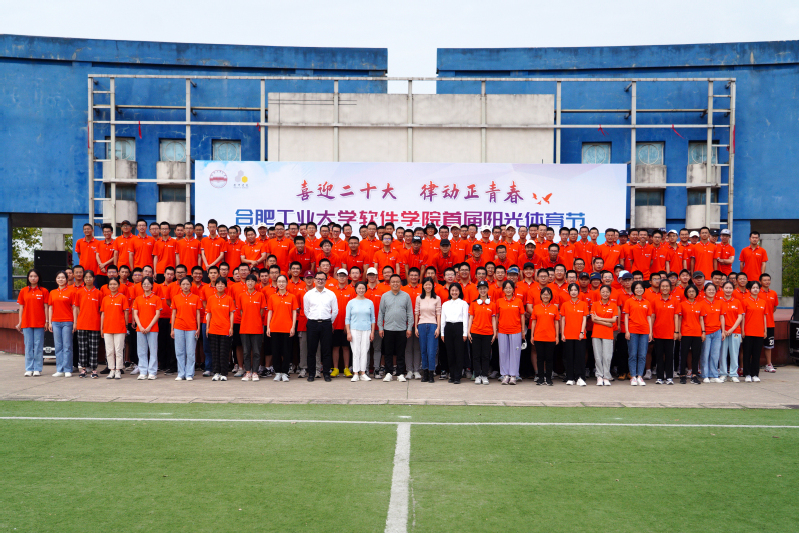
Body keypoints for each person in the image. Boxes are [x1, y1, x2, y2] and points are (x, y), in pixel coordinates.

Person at [378, 274, 414, 382]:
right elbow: (381, 313)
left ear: (400, 283)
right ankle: (388, 373)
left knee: (401, 352)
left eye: (397, 281)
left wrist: (409, 328)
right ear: (389, 283)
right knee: (388, 352)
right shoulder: (385, 296)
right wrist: (380, 327)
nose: (395, 284)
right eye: (393, 282)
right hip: (388, 329)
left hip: (402, 329)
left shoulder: (406, 296)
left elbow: (410, 313)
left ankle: (400, 373)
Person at [303, 272, 338, 382]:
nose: (320, 281)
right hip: (312, 323)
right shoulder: (308, 294)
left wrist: (329, 322)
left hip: (326, 324)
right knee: (311, 350)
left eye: (322, 279)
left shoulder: (331, 294)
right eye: (318, 279)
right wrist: (313, 319)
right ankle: (311, 374)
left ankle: (326, 374)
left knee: (326, 350)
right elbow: (306, 311)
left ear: (326, 281)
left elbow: (335, 311)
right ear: (314, 280)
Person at [16, 269, 49, 377]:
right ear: (28, 278)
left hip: (39, 322)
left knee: (38, 346)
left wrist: (46, 321)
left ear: (38, 278)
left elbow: (46, 307)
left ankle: (37, 369)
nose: (33, 278)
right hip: (27, 322)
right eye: (31, 276)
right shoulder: (23, 291)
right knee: (28, 346)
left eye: (35, 276)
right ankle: (29, 368)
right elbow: (21, 308)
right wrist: (20, 322)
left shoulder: (44, 291)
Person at [266, 275, 299, 382]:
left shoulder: (292, 297)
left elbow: (294, 312)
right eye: (279, 281)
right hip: (275, 327)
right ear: (277, 283)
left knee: (286, 351)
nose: (281, 283)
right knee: (275, 351)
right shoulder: (272, 297)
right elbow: (270, 312)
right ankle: (277, 372)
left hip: (287, 328)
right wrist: (268, 327)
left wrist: (293, 327)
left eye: (283, 281)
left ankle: (285, 372)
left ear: (286, 283)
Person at [235, 274, 266, 381]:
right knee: (246, 351)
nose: (250, 283)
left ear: (256, 283)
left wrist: (255, 319)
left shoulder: (260, 295)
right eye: (248, 281)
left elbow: (261, 311)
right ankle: (248, 372)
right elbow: (241, 311)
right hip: (244, 327)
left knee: (256, 351)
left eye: (252, 281)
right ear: (246, 283)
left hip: (257, 327)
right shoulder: (241, 296)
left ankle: (255, 372)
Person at [496, 280, 526, 385]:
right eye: (506, 288)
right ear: (503, 289)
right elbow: (497, 316)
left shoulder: (518, 301)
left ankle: (513, 375)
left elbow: (522, 316)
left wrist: (523, 331)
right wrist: (496, 330)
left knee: (515, 353)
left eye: (510, 288)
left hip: (516, 330)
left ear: (513, 289)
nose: (508, 290)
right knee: (503, 352)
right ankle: (505, 375)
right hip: (502, 330)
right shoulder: (499, 301)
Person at [171, 276, 201, 381]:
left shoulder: (196, 298)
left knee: (190, 352)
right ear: (180, 286)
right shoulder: (176, 298)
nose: (185, 286)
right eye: (183, 284)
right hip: (178, 326)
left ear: (191, 285)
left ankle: (189, 373)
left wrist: (198, 327)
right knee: (179, 351)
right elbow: (173, 313)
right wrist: (172, 329)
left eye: (187, 284)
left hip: (191, 327)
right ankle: (181, 373)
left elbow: (198, 314)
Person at [623, 281, 653, 387]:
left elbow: (649, 318)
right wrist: (627, 331)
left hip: (644, 331)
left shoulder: (647, 302)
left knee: (642, 355)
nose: (639, 290)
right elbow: (626, 317)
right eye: (636, 288)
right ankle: (633, 376)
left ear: (644, 289)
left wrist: (650, 332)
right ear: (633, 290)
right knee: (632, 355)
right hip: (633, 331)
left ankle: (640, 376)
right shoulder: (629, 301)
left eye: (641, 288)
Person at [73, 270, 102, 378]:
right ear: (83, 279)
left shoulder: (99, 293)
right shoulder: (79, 292)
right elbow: (77, 308)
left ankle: (94, 370)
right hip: (82, 324)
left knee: (94, 348)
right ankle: (83, 369)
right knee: (82, 348)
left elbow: (101, 310)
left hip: (95, 324)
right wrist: (76, 322)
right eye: (86, 277)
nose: (88, 279)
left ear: (94, 279)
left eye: (90, 277)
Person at [205, 277, 235, 381]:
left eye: (222, 284)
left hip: (225, 329)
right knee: (215, 352)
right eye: (218, 283)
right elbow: (209, 314)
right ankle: (216, 372)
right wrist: (207, 327)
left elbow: (231, 314)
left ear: (225, 286)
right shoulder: (211, 299)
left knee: (224, 352)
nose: (220, 285)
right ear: (215, 286)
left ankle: (224, 373)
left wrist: (231, 327)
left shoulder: (229, 299)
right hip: (213, 329)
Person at [133, 277, 162, 380]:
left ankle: (152, 372)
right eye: (144, 284)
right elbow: (135, 314)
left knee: (153, 350)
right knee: (141, 351)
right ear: (141, 286)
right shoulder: (138, 299)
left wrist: (149, 326)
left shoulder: (156, 299)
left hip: (152, 329)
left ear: (152, 285)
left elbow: (157, 314)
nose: (146, 285)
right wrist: (140, 326)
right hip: (140, 329)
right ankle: (143, 371)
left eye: (148, 284)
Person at [345, 281, 376, 382]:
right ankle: (355, 373)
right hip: (354, 329)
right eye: (359, 288)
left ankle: (363, 373)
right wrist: (348, 332)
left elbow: (373, 318)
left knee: (364, 351)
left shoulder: (370, 302)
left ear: (365, 290)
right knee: (355, 351)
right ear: (356, 289)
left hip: (366, 330)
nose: (361, 290)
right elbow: (347, 319)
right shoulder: (351, 303)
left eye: (363, 288)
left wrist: (372, 332)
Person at [651, 279, 679, 385]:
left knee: (669, 356)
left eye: (667, 286)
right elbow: (652, 317)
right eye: (663, 286)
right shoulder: (655, 300)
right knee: (658, 355)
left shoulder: (675, 300)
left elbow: (676, 317)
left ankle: (669, 377)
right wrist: (650, 331)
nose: (665, 288)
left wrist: (676, 331)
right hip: (658, 332)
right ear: (660, 288)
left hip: (670, 333)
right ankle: (659, 377)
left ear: (670, 288)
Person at [100, 277, 129, 380]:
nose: (113, 286)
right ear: (108, 286)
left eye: (115, 284)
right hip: (107, 328)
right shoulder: (105, 299)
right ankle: (111, 369)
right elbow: (103, 314)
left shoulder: (122, 298)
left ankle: (118, 370)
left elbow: (126, 313)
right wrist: (101, 328)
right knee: (109, 351)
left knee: (118, 350)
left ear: (118, 286)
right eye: (111, 284)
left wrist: (126, 326)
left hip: (119, 328)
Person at [530, 287, 560, 386]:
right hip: (538, 336)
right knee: (540, 358)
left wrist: (557, 336)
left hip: (550, 337)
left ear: (551, 296)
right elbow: (533, 322)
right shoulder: (536, 307)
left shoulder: (554, 308)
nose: (546, 296)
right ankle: (540, 378)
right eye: (544, 294)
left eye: (548, 294)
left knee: (549, 358)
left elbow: (556, 323)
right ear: (541, 296)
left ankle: (548, 378)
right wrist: (532, 336)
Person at [560, 283, 588, 386]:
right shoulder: (565, 304)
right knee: (569, 357)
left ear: (578, 292)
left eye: (575, 290)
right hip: (568, 334)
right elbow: (563, 320)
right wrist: (562, 334)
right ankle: (570, 377)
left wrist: (582, 332)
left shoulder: (583, 304)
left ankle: (580, 377)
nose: (573, 292)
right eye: (571, 290)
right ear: (568, 292)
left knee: (580, 357)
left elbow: (584, 318)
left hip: (580, 335)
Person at [47, 270, 74, 377]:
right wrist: (50, 322)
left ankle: (67, 369)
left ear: (66, 279)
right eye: (58, 278)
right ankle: (59, 369)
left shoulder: (71, 292)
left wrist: (74, 322)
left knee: (67, 346)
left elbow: (74, 308)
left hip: (67, 321)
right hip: (55, 322)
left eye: (63, 277)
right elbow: (50, 308)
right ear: (56, 280)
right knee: (58, 346)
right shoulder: (52, 292)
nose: (61, 279)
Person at [468, 280, 496, 385]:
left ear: (488, 289)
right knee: (476, 355)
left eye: (484, 288)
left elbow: (494, 320)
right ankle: (477, 375)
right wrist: (468, 331)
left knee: (485, 355)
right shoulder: (474, 304)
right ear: (478, 290)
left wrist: (494, 333)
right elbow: (471, 318)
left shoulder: (492, 304)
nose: (482, 290)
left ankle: (484, 375)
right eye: (480, 288)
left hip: (488, 333)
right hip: (475, 332)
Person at [441, 283, 469, 384]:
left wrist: (465, 333)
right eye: (452, 290)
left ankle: (458, 376)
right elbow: (443, 319)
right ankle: (451, 375)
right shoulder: (445, 304)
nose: (454, 292)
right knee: (450, 353)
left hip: (459, 327)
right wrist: (442, 333)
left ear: (459, 291)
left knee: (459, 352)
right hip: (448, 327)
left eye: (456, 290)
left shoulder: (464, 304)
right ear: (449, 292)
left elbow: (465, 319)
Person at [415, 277, 441, 383]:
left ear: (433, 286)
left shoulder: (437, 298)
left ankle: (431, 373)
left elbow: (438, 314)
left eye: (429, 284)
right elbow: (416, 312)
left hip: (432, 325)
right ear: (423, 286)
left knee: (431, 351)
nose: (428, 286)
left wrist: (438, 328)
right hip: (421, 325)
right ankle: (425, 373)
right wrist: (416, 327)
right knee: (423, 350)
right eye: (426, 284)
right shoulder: (419, 298)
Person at [678, 284, 706, 384]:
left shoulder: (700, 304)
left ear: (696, 293)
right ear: (686, 293)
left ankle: (694, 375)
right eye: (689, 291)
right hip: (685, 332)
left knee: (696, 355)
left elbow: (701, 319)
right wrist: (679, 332)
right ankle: (682, 375)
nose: (691, 293)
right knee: (684, 354)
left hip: (697, 333)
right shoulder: (682, 304)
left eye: (693, 291)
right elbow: (680, 319)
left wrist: (703, 332)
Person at [590, 285, 618, 386]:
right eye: (603, 292)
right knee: (598, 356)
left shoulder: (613, 305)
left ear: (610, 293)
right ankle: (599, 376)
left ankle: (606, 376)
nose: (605, 294)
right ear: (600, 293)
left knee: (607, 356)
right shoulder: (595, 304)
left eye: (607, 292)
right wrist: (608, 323)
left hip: (608, 334)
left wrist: (600, 318)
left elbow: (614, 320)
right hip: (597, 333)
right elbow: (593, 319)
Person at [741, 281, 768, 383]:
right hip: (748, 331)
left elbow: (764, 317)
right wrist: (743, 330)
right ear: (749, 289)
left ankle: (755, 374)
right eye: (753, 288)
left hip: (759, 332)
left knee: (757, 354)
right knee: (747, 354)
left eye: (757, 288)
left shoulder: (763, 302)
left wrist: (765, 330)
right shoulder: (745, 301)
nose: (755, 289)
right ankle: (747, 374)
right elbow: (743, 317)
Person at [700, 283, 726, 383]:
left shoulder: (719, 303)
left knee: (715, 355)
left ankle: (714, 375)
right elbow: (701, 319)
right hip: (706, 332)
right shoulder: (701, 303)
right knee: (705, 354)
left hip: (717, 332)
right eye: (709, 290)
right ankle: (705, 375)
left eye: (713, 290)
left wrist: (723, 331)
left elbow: (722, 317)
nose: (711, 291)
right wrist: (703, 332)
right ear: (705, 291)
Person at [719, 281, 743, 382]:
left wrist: (732, 329)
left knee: (734, 353)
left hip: (735, 331)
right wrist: (724, 330)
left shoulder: (737, 302)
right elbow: (719, 316)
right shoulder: (719, 301)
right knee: (723, 353)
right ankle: (723, 373)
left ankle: (733, 374)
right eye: (726, 288)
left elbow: (740, 317)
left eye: (730, 288)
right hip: (723, 332)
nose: (728, 290)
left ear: (733, 289)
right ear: (722, 289)